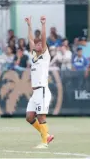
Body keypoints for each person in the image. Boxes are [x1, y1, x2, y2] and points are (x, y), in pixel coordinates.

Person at [25, 16, 54, 149]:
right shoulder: (34, 56)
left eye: (40, 44)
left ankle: (44, 142)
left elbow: (42, 38)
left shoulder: (45, 55)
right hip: (35, 92)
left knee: (41, 117)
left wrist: (43, 24)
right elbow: (30, 39)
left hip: (42, 90)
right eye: (36, 44)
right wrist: (29, 25)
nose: (38, 44)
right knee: (30, 117)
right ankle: (46, 135)